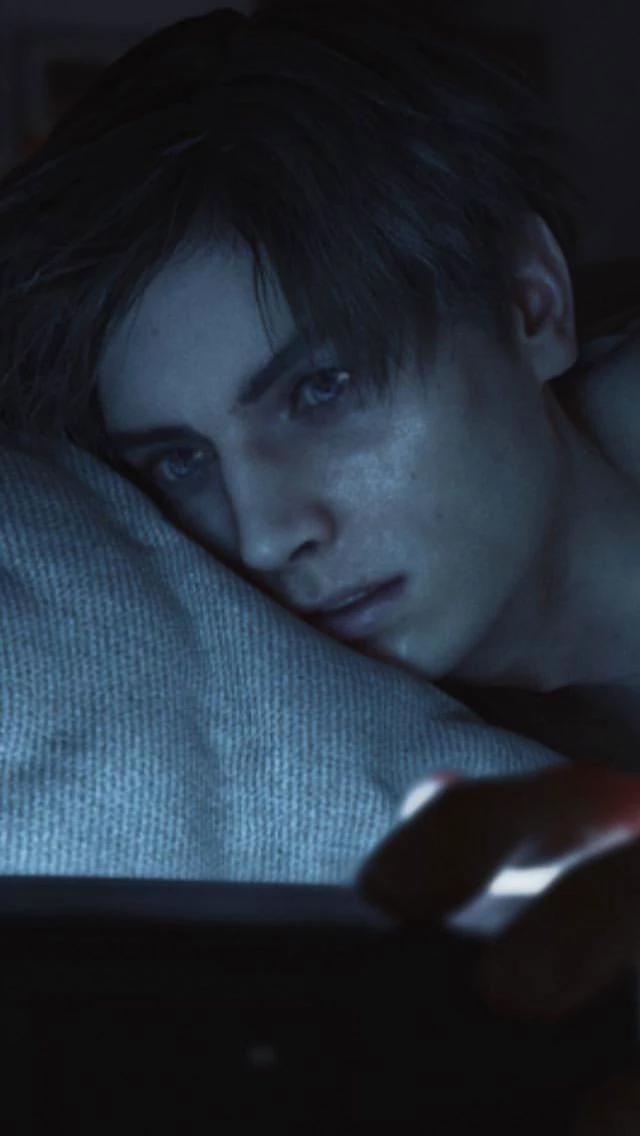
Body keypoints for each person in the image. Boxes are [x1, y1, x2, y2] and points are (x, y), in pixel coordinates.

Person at [1, 4, 640, 1127]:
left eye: (322, 390)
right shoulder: (369, 739)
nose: (261, 535)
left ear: (530, 304)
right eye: (182, 459)